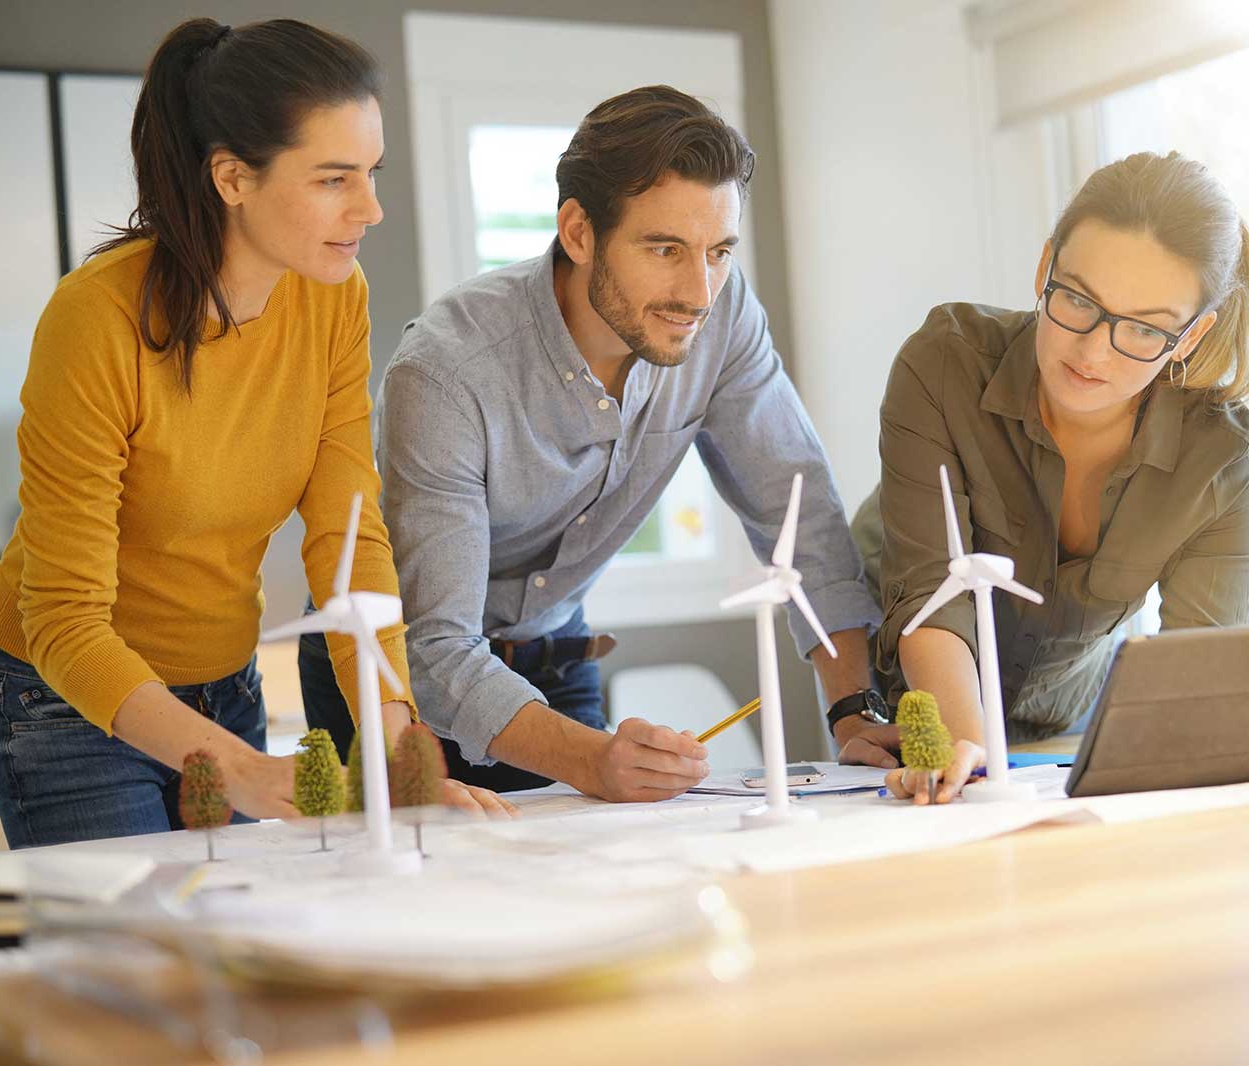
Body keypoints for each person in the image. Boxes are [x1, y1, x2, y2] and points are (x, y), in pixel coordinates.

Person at [0, 17, 512, 848]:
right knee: (139, 963)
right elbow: (64, 617)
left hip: (224, 687)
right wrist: (240, 770)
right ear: (232, 177)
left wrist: (402, 740)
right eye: (335, 178)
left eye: (371, 172)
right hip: (65, 699)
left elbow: (348, 534)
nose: (370, 207)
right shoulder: (96, 319)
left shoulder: (335, 293)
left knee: (232, 944)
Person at [299, 86, 887, 799]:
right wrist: (588, 760)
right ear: (578, 233)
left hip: (559, 653)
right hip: (397, 681)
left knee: (598, 877)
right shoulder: (448, 371)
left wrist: (853, 711)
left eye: (720, 251)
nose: (699, 290)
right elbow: (433, 642)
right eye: (665, 248)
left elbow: (801, 516)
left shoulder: (720, 318)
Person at [848, 151, 1249, 803]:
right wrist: (970, 758)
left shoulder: (1218, 457)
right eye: (1077, 299)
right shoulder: (946, 362)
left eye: (1144, 328)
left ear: (1189, 338)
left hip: (1062, 728)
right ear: (1046, 267)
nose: (1093, 351)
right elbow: (932, 594)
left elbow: (1198, 678)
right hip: (905, 718)